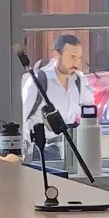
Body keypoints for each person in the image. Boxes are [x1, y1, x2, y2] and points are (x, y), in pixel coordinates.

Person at [20, 33, 87, 165]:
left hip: (68, 151)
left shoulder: (79, 81)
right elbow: (21, 118)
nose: (76, 63)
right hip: (39, 151)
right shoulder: (38, 81)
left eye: (79, 58)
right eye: (72, 57)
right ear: (56, 54)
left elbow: (89, 111)